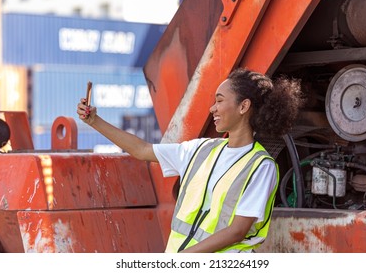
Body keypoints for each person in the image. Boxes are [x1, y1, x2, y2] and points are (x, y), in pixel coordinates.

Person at [77, 68, 303, 253]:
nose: (212, 108)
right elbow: (142, 149)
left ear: (244, 106)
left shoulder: (261, 167)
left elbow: (238, 231)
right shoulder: (201, 149)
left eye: (220, 101)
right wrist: (95, 121)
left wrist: (185, 258)